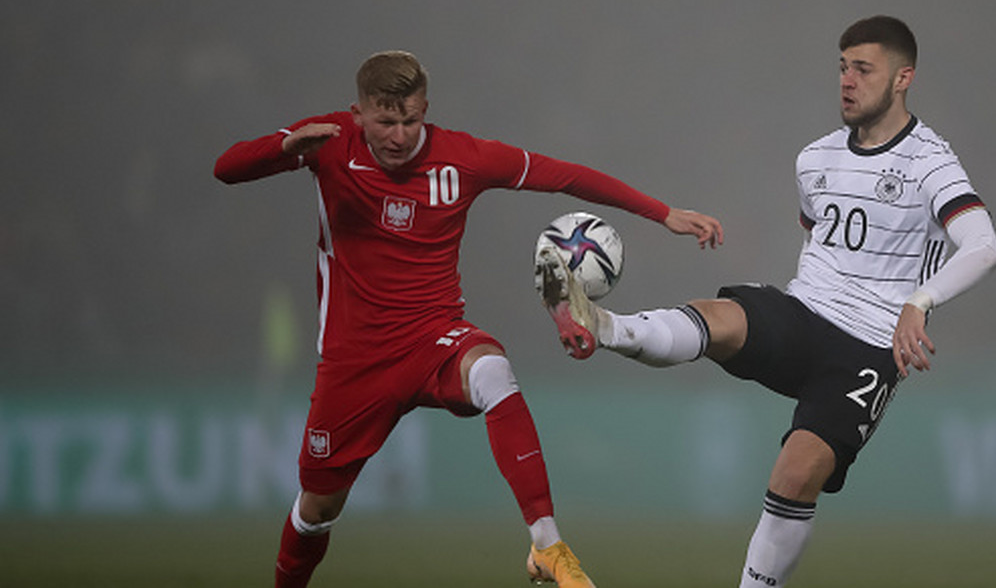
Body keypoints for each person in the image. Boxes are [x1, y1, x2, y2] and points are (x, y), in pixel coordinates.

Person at [214, 50, 724, 588]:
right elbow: (226, 169)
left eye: (410, 121)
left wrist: (662, 212)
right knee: (317, 509)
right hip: (354, 361)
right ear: (358, 113)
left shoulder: (463, 158)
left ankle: (547, 546)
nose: (398, 136)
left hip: (434, 338)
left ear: (425, 110)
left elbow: (566, 176)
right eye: (385, 122)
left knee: (493, 371)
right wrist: (283, 148)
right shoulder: (328, 141)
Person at [538, 15, 996, 587]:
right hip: (806, 312)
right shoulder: (815, 158)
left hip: (869, 346)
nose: (847, 81)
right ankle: (601, 325)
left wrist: (920, 302)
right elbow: (816, 240)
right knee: (719, 317)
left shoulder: (931, 162)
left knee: (795, 473)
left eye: (863, 69)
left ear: (903, 78)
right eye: (842, 67)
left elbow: (984, 247)